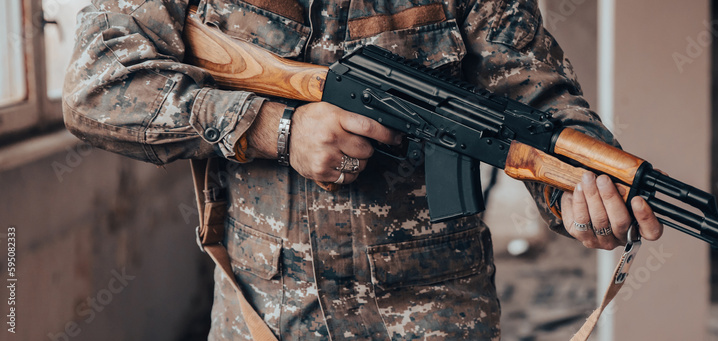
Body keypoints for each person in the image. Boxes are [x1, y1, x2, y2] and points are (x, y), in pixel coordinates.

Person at [64, 0, 664, 339]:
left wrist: (581, 195)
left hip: (437, 318)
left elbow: (542, 106)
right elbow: (97, 89)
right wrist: (272, 127)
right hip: (267, 318)